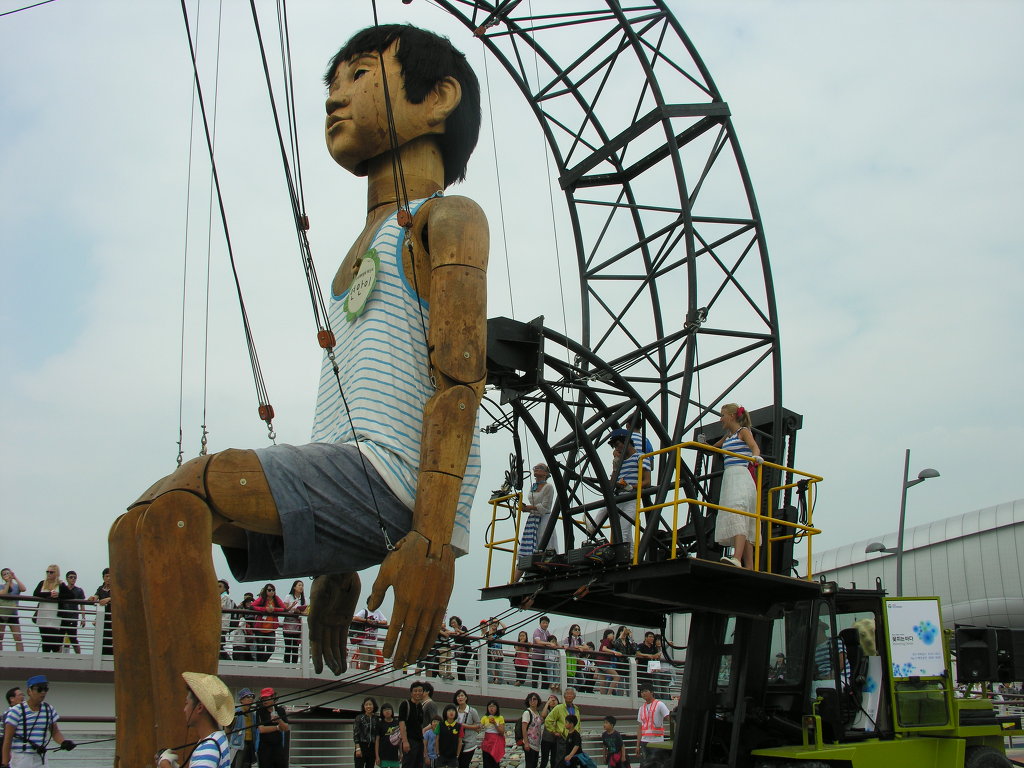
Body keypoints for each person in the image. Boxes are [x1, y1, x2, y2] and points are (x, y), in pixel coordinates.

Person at [108, 23, 487, 766]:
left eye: (359, 74)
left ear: (439, 97)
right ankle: (141, 753)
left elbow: (459, 381)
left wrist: (432, 543)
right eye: (331, 84)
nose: (335, 97)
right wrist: (334, 565)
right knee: (140, 527)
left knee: (190, 493)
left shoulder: (448, 218)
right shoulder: (363, 246)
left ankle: (189, 752)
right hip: (356, 479)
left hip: (398, 481)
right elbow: (348, 408)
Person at [707, 403, 762, 568]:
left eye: (722, 415)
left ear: (731, 416)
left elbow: (754, 447)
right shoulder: (728, 436)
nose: (721, 419)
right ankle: (750, 566)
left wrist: (755, 457)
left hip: (740, 476)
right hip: (730, 478)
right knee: (742, 520)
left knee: (738, 513)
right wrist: (701, 444)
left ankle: (737, 558)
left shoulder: (743, 432)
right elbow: (713, 448)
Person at [157, 672, 233, 768]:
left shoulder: (208, 748)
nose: (184, 709)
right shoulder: (219, 737)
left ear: (199, 707)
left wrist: (164, 764)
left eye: (186, 703)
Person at [2, 675, 76, 768]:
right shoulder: (16, 711)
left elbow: (55, 732)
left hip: (40, 757)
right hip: (21, 757)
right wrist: (5, 763)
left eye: (45, 689)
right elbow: (8, 739)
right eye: (39, 689)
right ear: (29, 691)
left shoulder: (49, 709)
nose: (43, 692)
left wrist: (63, 742)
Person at [606, 430, 652, 546]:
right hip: (618, 497)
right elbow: (612, 484)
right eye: (614, 446)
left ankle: (625, 554)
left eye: (617, 444)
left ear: (626, 441)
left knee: (623, 531)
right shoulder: (620, 461)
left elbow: (647, 482)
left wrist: (631, 487)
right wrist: (615, 467)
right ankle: (630, 555)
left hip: (631, 498)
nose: (616, 449)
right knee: (624, 532)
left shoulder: (640, 457)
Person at [518, 463, 556, 578]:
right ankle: (515, 579)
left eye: (540, 468)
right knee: (526, 547)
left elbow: (545, 507)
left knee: (542, 544)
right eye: (536, 468)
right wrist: (526, 508)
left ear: (546, 473)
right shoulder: (533, 486)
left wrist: (529, 508)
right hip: (533, 519)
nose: (537, 469)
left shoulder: (548, 487)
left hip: (544, 519)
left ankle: (545, 568)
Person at [32, 566, 71, 653]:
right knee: (45, 640)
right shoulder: (42, 583)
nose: (49, 574)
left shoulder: (60, 584)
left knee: (53, 641)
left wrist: (58, 595)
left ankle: (56, 657)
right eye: (47, 572)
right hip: (43, 615)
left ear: (56, 573)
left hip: (54, 616)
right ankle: (46, 658)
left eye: (51, 572)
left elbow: (70, 595)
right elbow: (36, 593)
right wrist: (49, 594)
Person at [544, 687, 580, 767]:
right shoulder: (559, 708)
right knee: (561, 761)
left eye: (571, 694)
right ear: (564, 696)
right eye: (567, 694)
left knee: (573, 762)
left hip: (574, 739)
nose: (569, 696)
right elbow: (548, 721)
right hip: (563, 739)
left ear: (574, 696)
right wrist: (554, 731)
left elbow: (578, 724)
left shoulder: (576, 709)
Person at [255, 687, 289, 768]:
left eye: (267, 698)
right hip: (264, 748)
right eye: (263, 698)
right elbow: (261, 729)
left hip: (278, 746)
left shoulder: (280, 710)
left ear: (273, 697)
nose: (265, 701)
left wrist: (279, 720)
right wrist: (277, 728)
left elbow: (286, 728)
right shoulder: (260, 711)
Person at [635, 684, 670, 763]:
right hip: (644, 742)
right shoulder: (641, 708)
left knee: (657, 763)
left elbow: (669, 718)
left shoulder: (659, 704)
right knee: (646, 763)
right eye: (642, 692)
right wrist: (638, 745)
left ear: (652, 692)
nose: (643, 693)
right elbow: (640, 727)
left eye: (645, 691)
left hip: (657, 742)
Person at [251, 584, 285, 662]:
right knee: (260, 649)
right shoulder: (262, 599)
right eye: (269, 590)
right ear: (265, 591)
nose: (271, 592)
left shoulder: (276, 599)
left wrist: (274, 609)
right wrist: (265, 609)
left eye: (273, 590)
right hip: (260, 628)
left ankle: (261, 663)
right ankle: (260, 665)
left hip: (271, 629)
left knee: (271, 649)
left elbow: (284, 608)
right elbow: (252, 606)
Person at [399, 681, 428, 768]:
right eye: (415, 691)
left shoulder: (420, 707)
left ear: (423, 693)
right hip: (409, 740)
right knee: (408, 764)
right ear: (411, 693)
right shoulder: (405, 704)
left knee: (418, 765)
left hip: (419, 741)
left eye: (420, 691)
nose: (417, 693)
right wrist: (405, 741)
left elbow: (420, 726)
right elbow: (402, 723)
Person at [56, 570, 86, 654]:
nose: (73, 579)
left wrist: (83, 618)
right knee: (59, 639)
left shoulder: (79, 590)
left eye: (75, 577)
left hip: (73, 617)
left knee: (73, 639)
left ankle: (79, 657)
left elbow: (82, 604)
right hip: (62, 617)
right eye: (71, 577)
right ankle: (58, 657)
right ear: (67, 579)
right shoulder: (62, 588)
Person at [228, 688, 257, 768]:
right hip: (238, 743)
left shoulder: (252, 714)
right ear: (241, 700)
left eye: (252, 697)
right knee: (238, 764)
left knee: (247, 764)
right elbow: (229, 727)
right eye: (248, 697)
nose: (250, 699)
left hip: (250, 743)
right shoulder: (236, 712)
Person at [87, 567, 112, 655]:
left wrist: (108, 599)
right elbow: (96, 597)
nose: (108, 578)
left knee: (111, 639)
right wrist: (92, 598)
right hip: (102, 618)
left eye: (110, 576)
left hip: (112, 618)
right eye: (107, 576)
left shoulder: (115, 588)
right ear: (103, 577)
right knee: (102, 638)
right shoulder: (100, 588)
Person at [452, 689, 480, 768]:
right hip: (456, 743)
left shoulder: (472, 711)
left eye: (462, 695)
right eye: (458, 696)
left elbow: (479, 726)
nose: (460, 698)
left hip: (469, 743)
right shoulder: (454, 711)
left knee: (464, 765)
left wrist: (464, 726)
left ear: (466, 698)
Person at [281, 581, 308, 665]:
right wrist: (292, 608)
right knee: (288, 647)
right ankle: (287, 666)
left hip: (298, 626)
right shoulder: (288, 597)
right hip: (288, 625)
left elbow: (306, 612)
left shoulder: (304, 599)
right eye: (299, 585)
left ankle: (294, 666)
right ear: (294, 587)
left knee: (295, 648)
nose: (301, 587)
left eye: (302, 585)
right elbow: (284, 609)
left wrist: (300, 612)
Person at [0, 568, 26, 652]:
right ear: (2, 577)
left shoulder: (16, 586)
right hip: (2, 613)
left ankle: (20, 656)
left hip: (13, 614)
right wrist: (8, 583)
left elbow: (23, 589)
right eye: (4, 574)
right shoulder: (1, 586)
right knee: (0, 637)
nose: (6, 575)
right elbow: (4, 593)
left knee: (18, 637)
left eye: (8, 573)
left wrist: (15, 578)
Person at [444, 617, 473, 682]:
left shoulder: (463, 627)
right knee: (459, 669)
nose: (453, 624)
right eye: (451, 623)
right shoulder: (455, 631)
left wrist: (458, 630)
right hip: (459, 653)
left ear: (458, 622)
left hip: (466, 652)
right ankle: (461, 682)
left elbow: (467, 634)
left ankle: (463, 682)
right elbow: (457, 642)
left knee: (461, 668)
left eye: (454, 622)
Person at [520, 692, 544, 768]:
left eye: (534, 699)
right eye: (530, 699)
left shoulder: (537, 713)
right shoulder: (527, 713)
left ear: (538, 701)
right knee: (529, 765)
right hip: (529, 744)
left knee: (534, 764)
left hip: (536, 744)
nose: (532, 701)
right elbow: (524, 728)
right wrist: (526, 743)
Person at [353, 696, 379, 768]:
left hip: (372, 748)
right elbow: (356, 734)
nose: (368, 706)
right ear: (364, 706)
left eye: (370, 704)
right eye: (366, 704)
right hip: (362, 746)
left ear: (373, 706)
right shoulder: (359, 718)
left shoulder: (376, 719)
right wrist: (357, 748)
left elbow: (378, 734)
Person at [478, 700, 505, 768]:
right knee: (486, 762)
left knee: (495, 762)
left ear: (497, 708)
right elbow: (479, 727)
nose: (491, 708)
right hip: (487, 741)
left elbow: (502, 732)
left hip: (496, 742)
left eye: (493, 706)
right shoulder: (484, 717)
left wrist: (495, 723)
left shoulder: (500, 717)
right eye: (490, 706)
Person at [377, 704, 402, 768]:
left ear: (392, 711)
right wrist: (377, 756)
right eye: (385, 710)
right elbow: (377, 741)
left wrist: (401, 753)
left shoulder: (397, 723)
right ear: (382, 712)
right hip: (383, 756)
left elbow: (399, 740)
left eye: (389, 709)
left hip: (395, 755)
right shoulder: (380, 724)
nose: (387, 711)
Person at [538, 694, 559, 768]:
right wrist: (547, 703)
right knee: (544, 760)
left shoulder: (560, 711)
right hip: (546, 739)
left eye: (554, 700)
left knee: (554, 760)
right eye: (550, 700)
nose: (552, 701)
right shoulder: (547, 711)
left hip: (557, 739)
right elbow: (543, 715)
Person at [597, 630, 620, 696]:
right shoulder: (606, 640)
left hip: (599, 663)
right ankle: (609, 694)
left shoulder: (608, 642)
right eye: (612, 634)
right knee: (617, 677)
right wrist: (614, 652)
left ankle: (603, 696)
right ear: (607, 635)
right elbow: (604, 648)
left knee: (602, 682)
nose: (613, 635)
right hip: (604, 663)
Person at [532, 616, 553, 688]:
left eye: (547, 623)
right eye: (543, 623)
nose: (545, 624)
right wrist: (549, 643)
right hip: (537, 657)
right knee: (535, 676)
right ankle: (534, 690)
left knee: (545, 677)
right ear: (540, 623)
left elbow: (552, 640)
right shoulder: (537, 631)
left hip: (545, 658)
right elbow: (538, 642)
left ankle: (544, 690)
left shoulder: (547, 632)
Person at [218, 580, 235, 661]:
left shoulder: (225, 597)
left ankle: (227, 660)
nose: (217, 588)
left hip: (222, 624)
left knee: (219, 644)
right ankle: (226, 659)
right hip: (220, 624)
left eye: (220, 586)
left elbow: (220, 607)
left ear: (225, 588)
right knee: (219, 644)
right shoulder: (221, 596)